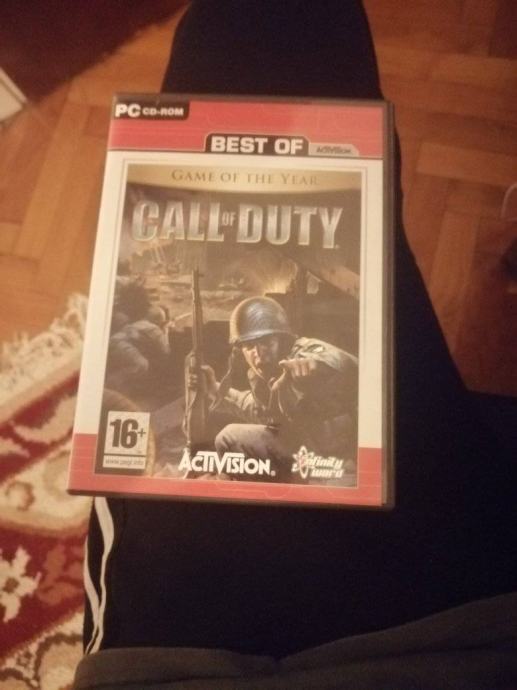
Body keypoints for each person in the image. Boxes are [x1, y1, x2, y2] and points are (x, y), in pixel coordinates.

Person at [73, 2, 517, 688]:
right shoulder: (262, 372)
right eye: (250, 349)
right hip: (464, 623)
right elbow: (254, 413)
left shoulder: (309, 359)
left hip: (195, 638)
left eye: (261, 346)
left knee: (253, 44)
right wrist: (216, 395)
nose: (254, 355)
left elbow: (304, 398)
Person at [192, 296, 358, 482]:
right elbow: (261, 410)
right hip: (302, 450)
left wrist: (315, 366)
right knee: (229, 437)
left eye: (266, 343)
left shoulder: (303, 351)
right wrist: (216, 391)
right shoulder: (262, 377)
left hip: (339, 460)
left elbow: (343, 362)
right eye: (249, 346)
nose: (258, 354)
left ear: (282, 340)